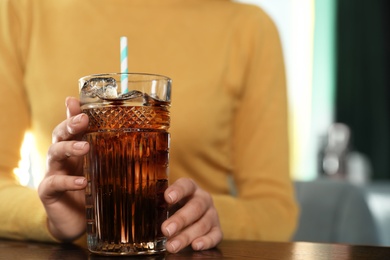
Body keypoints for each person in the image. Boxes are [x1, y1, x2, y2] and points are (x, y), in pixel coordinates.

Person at [0, 0, 298, 254]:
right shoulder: (22, 9)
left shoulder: (249, 29)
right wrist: (50, 217)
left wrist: (196, 217)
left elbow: (274, 211)